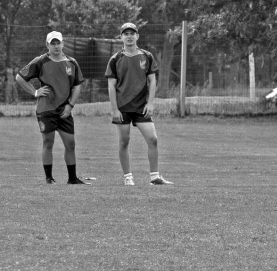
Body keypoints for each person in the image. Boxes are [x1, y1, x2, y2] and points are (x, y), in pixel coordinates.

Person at [15, 31, 90, 184]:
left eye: (58, 43)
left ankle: (72, 178)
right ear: (47, 45)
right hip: (46, 109)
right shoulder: (40, 61)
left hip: (64, 109)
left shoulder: (72, 62)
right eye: (52, 43)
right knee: (48, 142)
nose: (56, 46)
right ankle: (49, 178)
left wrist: (70, 106)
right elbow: (19, 77)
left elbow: (77, 86)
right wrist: (35, 92)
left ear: (63, 43)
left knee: (70, 144)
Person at [106, 22, 173, 186]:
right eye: (125, 33)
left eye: (132, 33)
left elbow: (152, 81)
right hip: (122, 107)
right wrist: (115, 109)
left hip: (141, 106)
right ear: (121, 37)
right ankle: (128, 177)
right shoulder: (115, 59)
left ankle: (154, 177)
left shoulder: (147, 56)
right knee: (124, 141)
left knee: (153, 139)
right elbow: (111, 86)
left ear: (137, 36)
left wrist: (150, 103)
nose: (129, 36)